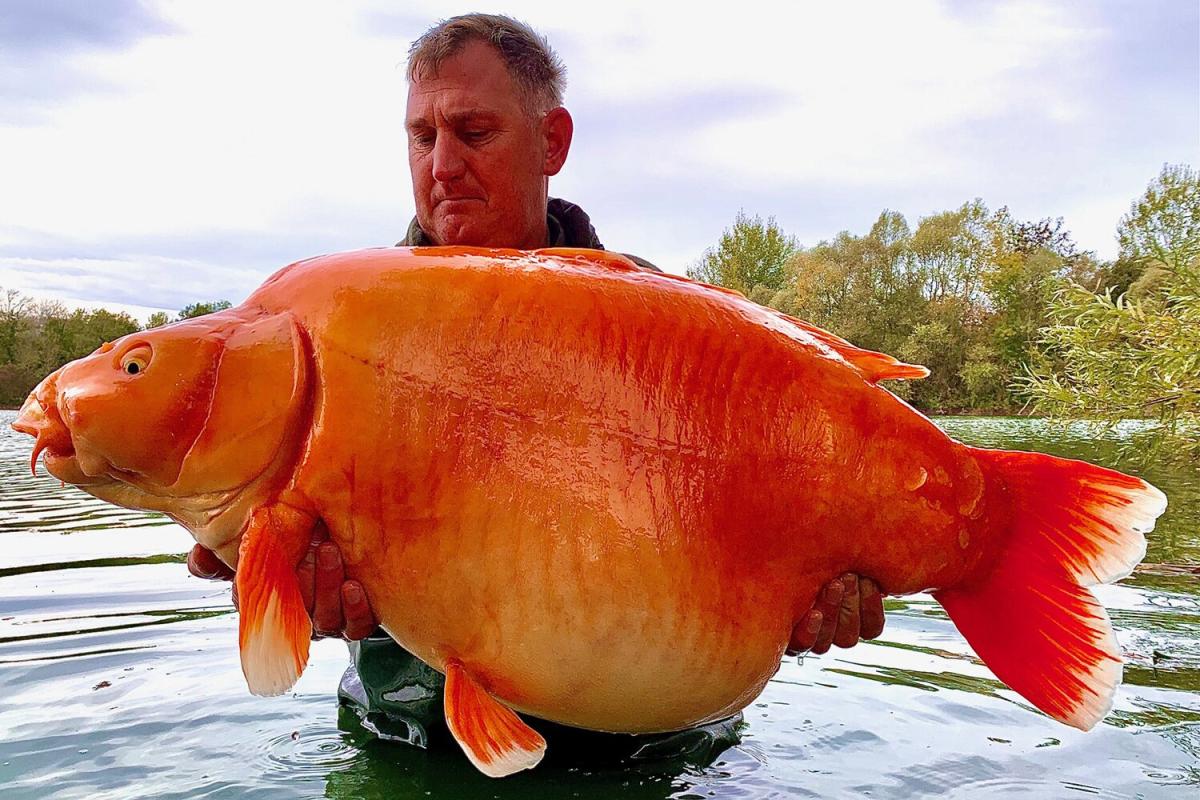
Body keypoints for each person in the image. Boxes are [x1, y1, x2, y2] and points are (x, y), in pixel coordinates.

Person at [188, 12, 885, 762]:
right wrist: (273, 580)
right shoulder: (336, 329)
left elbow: (774, 535)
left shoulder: (670, 326)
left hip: (648, 751)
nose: (443, 165)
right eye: (422, 137)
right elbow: (253, 535)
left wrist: (817, 598)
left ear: (552, 141)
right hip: (408, 738)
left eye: (474, 132)